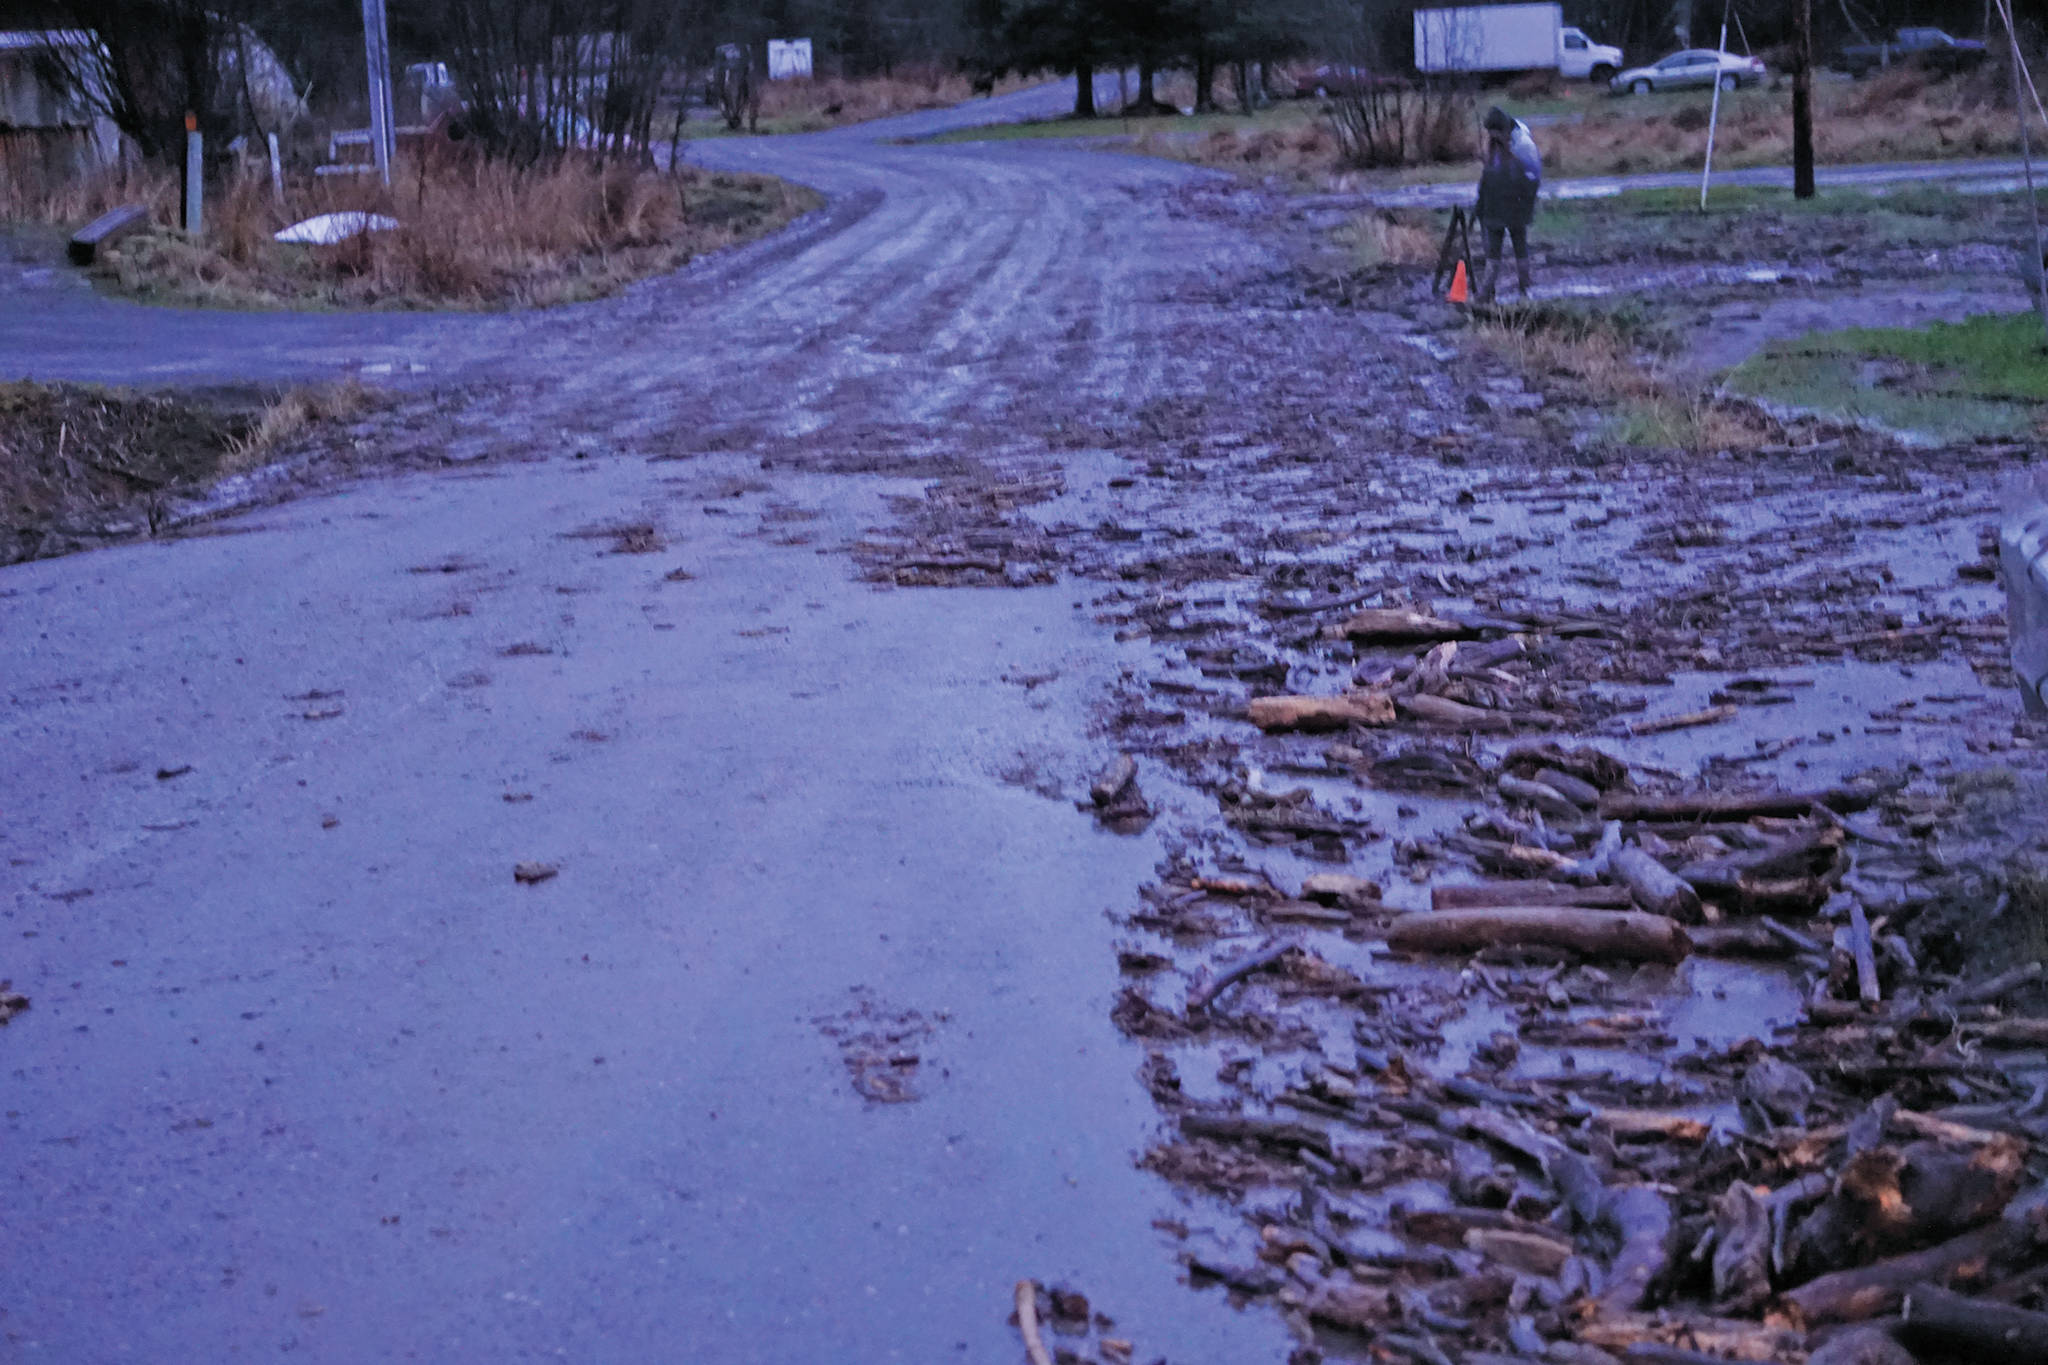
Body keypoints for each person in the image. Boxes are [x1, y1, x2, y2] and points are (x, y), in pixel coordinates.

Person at [1475, 106, 1540, 302]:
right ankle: (1516, 290)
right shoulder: (1507, 155)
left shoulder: (1518, 151)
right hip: (1507, 213)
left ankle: (1495, 292)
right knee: (1511, 250)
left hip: (1502, 214)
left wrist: (1481, 212)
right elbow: (1528, 185)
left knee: (1504, 252)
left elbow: (1532, 180)